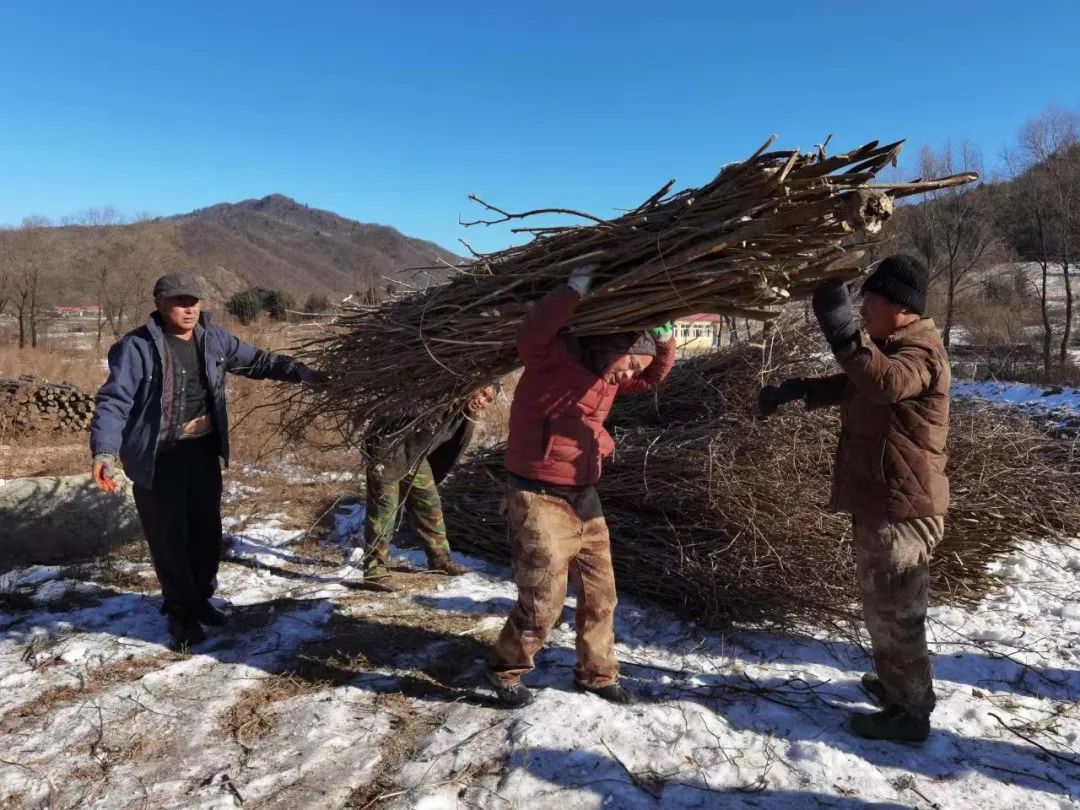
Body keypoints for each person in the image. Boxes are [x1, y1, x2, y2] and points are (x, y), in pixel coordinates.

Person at [759, 255, 949, 743]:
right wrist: (799, 390)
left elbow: (884, 383)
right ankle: (895, 684)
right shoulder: (893, 346)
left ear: (898, 306)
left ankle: (911, 714)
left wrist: (841, 328)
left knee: (897, 612)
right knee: (880, 604)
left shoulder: (921, 351)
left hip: (903, 507)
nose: (864, 311)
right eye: (859, 305)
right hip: (882, 499)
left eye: (870, 302)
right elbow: (857, 383)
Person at [90, 273, 319, 646]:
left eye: (194, 301)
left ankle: (200, 600)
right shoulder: (136, 347)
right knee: (169, 537)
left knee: (205, 532)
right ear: (160, 303)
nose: (189, 309)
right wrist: (104, 450)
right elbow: (114, 401)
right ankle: (180, 612)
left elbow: (257, 361)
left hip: (201, 452)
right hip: (158, 457)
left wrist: (299, 372)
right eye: (180, 302)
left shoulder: (213, 338)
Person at [485, 266, 676, 707]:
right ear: (616, 347)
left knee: (600, 592)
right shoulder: (554, 358)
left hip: (584, 494)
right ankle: (506, 669)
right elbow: (532, 333)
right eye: (630, 363)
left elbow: (651, 378)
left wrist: (664, 342)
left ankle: (598, 673)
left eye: (635, 370)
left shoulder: (610, 381)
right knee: (543, 596)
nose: (629, 377)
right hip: (536, 493)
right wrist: (573, 289)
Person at [351, 385, 497, 584]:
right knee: (385, 509)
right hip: (389, 452)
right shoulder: (442, 397)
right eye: (481, 393)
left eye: (489, 399)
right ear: (471, 387)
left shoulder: (465, 415)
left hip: (416, 457)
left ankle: (440, 559)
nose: (482, 401)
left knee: (429, 505)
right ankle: (375, 569)